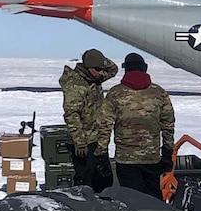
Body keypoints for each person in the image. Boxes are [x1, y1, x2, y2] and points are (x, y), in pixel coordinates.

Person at [100, 51, 175, 198]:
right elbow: (168, 125)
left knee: (132, 200)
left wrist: (102, 155)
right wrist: (167, 153)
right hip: (152, 158)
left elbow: (104, 126)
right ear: (144, 68)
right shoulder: (159, 93)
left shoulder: (115, 94)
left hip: (126, 159)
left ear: (126, 69)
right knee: (154, 199)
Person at [59, 47, 118, 190]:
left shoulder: (94, 78)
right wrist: (80, 142)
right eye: (98, 69)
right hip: (84, 142)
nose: (101, 73)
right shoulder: (76, 84)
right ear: (88, 67)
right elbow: (71, 114)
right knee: (86, 181)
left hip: (96, 138)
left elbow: (113, 70)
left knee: (102, 181)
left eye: (102, 69)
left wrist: (101, 61)